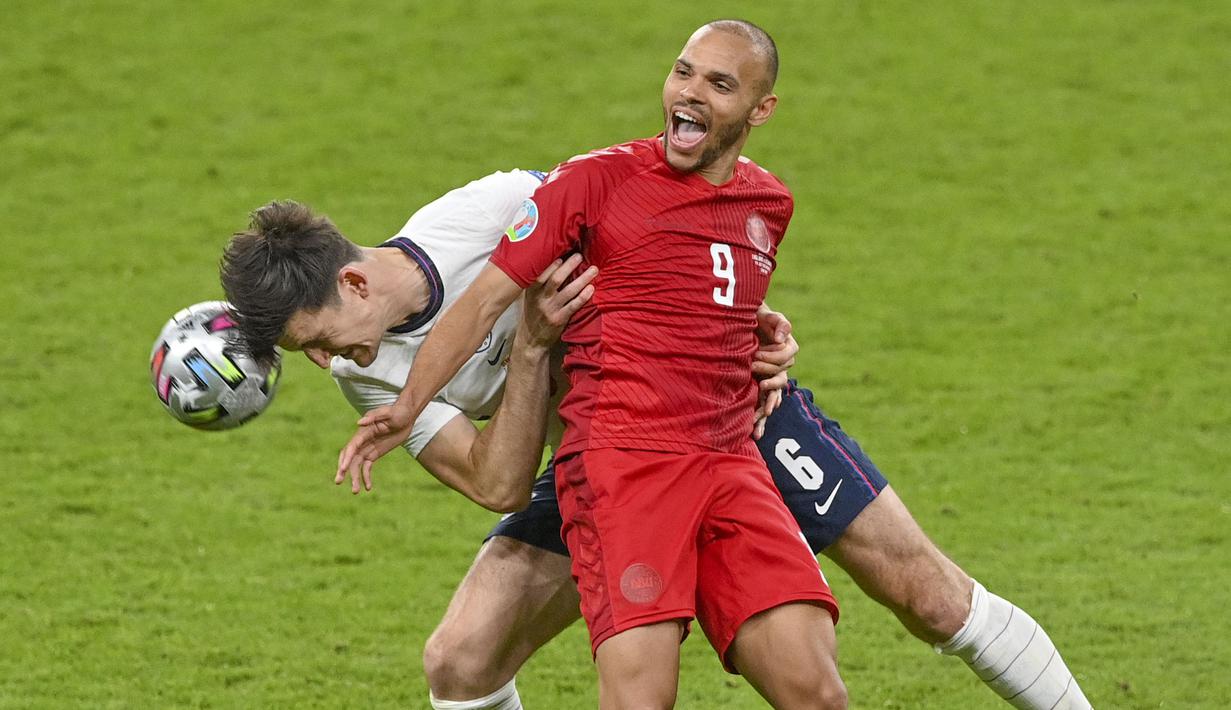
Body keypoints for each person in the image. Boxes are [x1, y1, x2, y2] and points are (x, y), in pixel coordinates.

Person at [335, 19, 1092, 710]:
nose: (689, 93)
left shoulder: (768, 205)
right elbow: (483, 312)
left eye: (717, 83)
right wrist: (409, 406)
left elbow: (706, 294)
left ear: (760, 110)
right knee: (493, 666)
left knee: (855, 658)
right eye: (682, 73)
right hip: (619, 468)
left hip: (732, 449)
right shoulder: (589, 183)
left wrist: (763, 341)